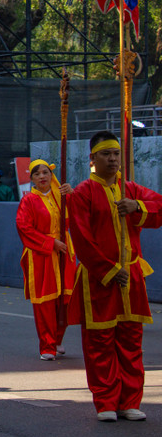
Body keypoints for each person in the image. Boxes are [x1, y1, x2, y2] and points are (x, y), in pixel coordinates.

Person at [68, 131, 162, 422]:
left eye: (116, 154)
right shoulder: (82, 193)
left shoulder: (131, 189)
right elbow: (82, 240)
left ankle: (130, 401)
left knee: (131, 341)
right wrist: (109, 270)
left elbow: (159, 208)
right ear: (92, 159)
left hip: (132, 276)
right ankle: (106, 401)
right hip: (100, 279)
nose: (112, 159)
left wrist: (138, 207)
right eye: (106, 154)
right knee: (100, 342)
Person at [15, 160, 75, 360]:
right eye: (37, 174)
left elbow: (75, 218)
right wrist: (50, 244)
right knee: (45, 302)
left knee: (66, 301)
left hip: (65, 252)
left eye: (45, 173)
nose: (42, 177)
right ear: (31, 179)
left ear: (51, 175)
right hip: (41, 255)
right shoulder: (29, 201)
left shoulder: (60, 196)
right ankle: (47, 346)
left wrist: (71, 196)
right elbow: (24, 228)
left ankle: (57, 339)